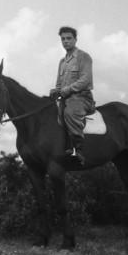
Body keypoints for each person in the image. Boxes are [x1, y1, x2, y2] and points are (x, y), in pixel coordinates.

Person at [50, 26, 95, 165]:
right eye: (63, 39)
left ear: (75, 39)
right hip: (65, 98)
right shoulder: (62, 62)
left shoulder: (83, 57)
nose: (65, 41)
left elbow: (85, 79)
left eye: (69, 38)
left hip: (82, 97)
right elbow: (59, 84)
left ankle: (78, 150)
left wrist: (67, 90)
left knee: (70, 113)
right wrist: (56, 91)